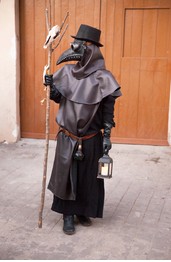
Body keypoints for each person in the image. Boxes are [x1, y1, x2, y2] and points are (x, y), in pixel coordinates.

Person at [44, 24, 122, 235]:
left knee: (88, 177)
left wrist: (107, 136)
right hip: (68, 137)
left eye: (81, 43)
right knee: (67, 177)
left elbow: (108, 110)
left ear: (92, 49)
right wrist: (52, 87)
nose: (75, 46)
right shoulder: (67, 72)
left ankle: (82, 211)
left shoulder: (104, 78)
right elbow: (59, 98)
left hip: (91, 137)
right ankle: (67, 215)